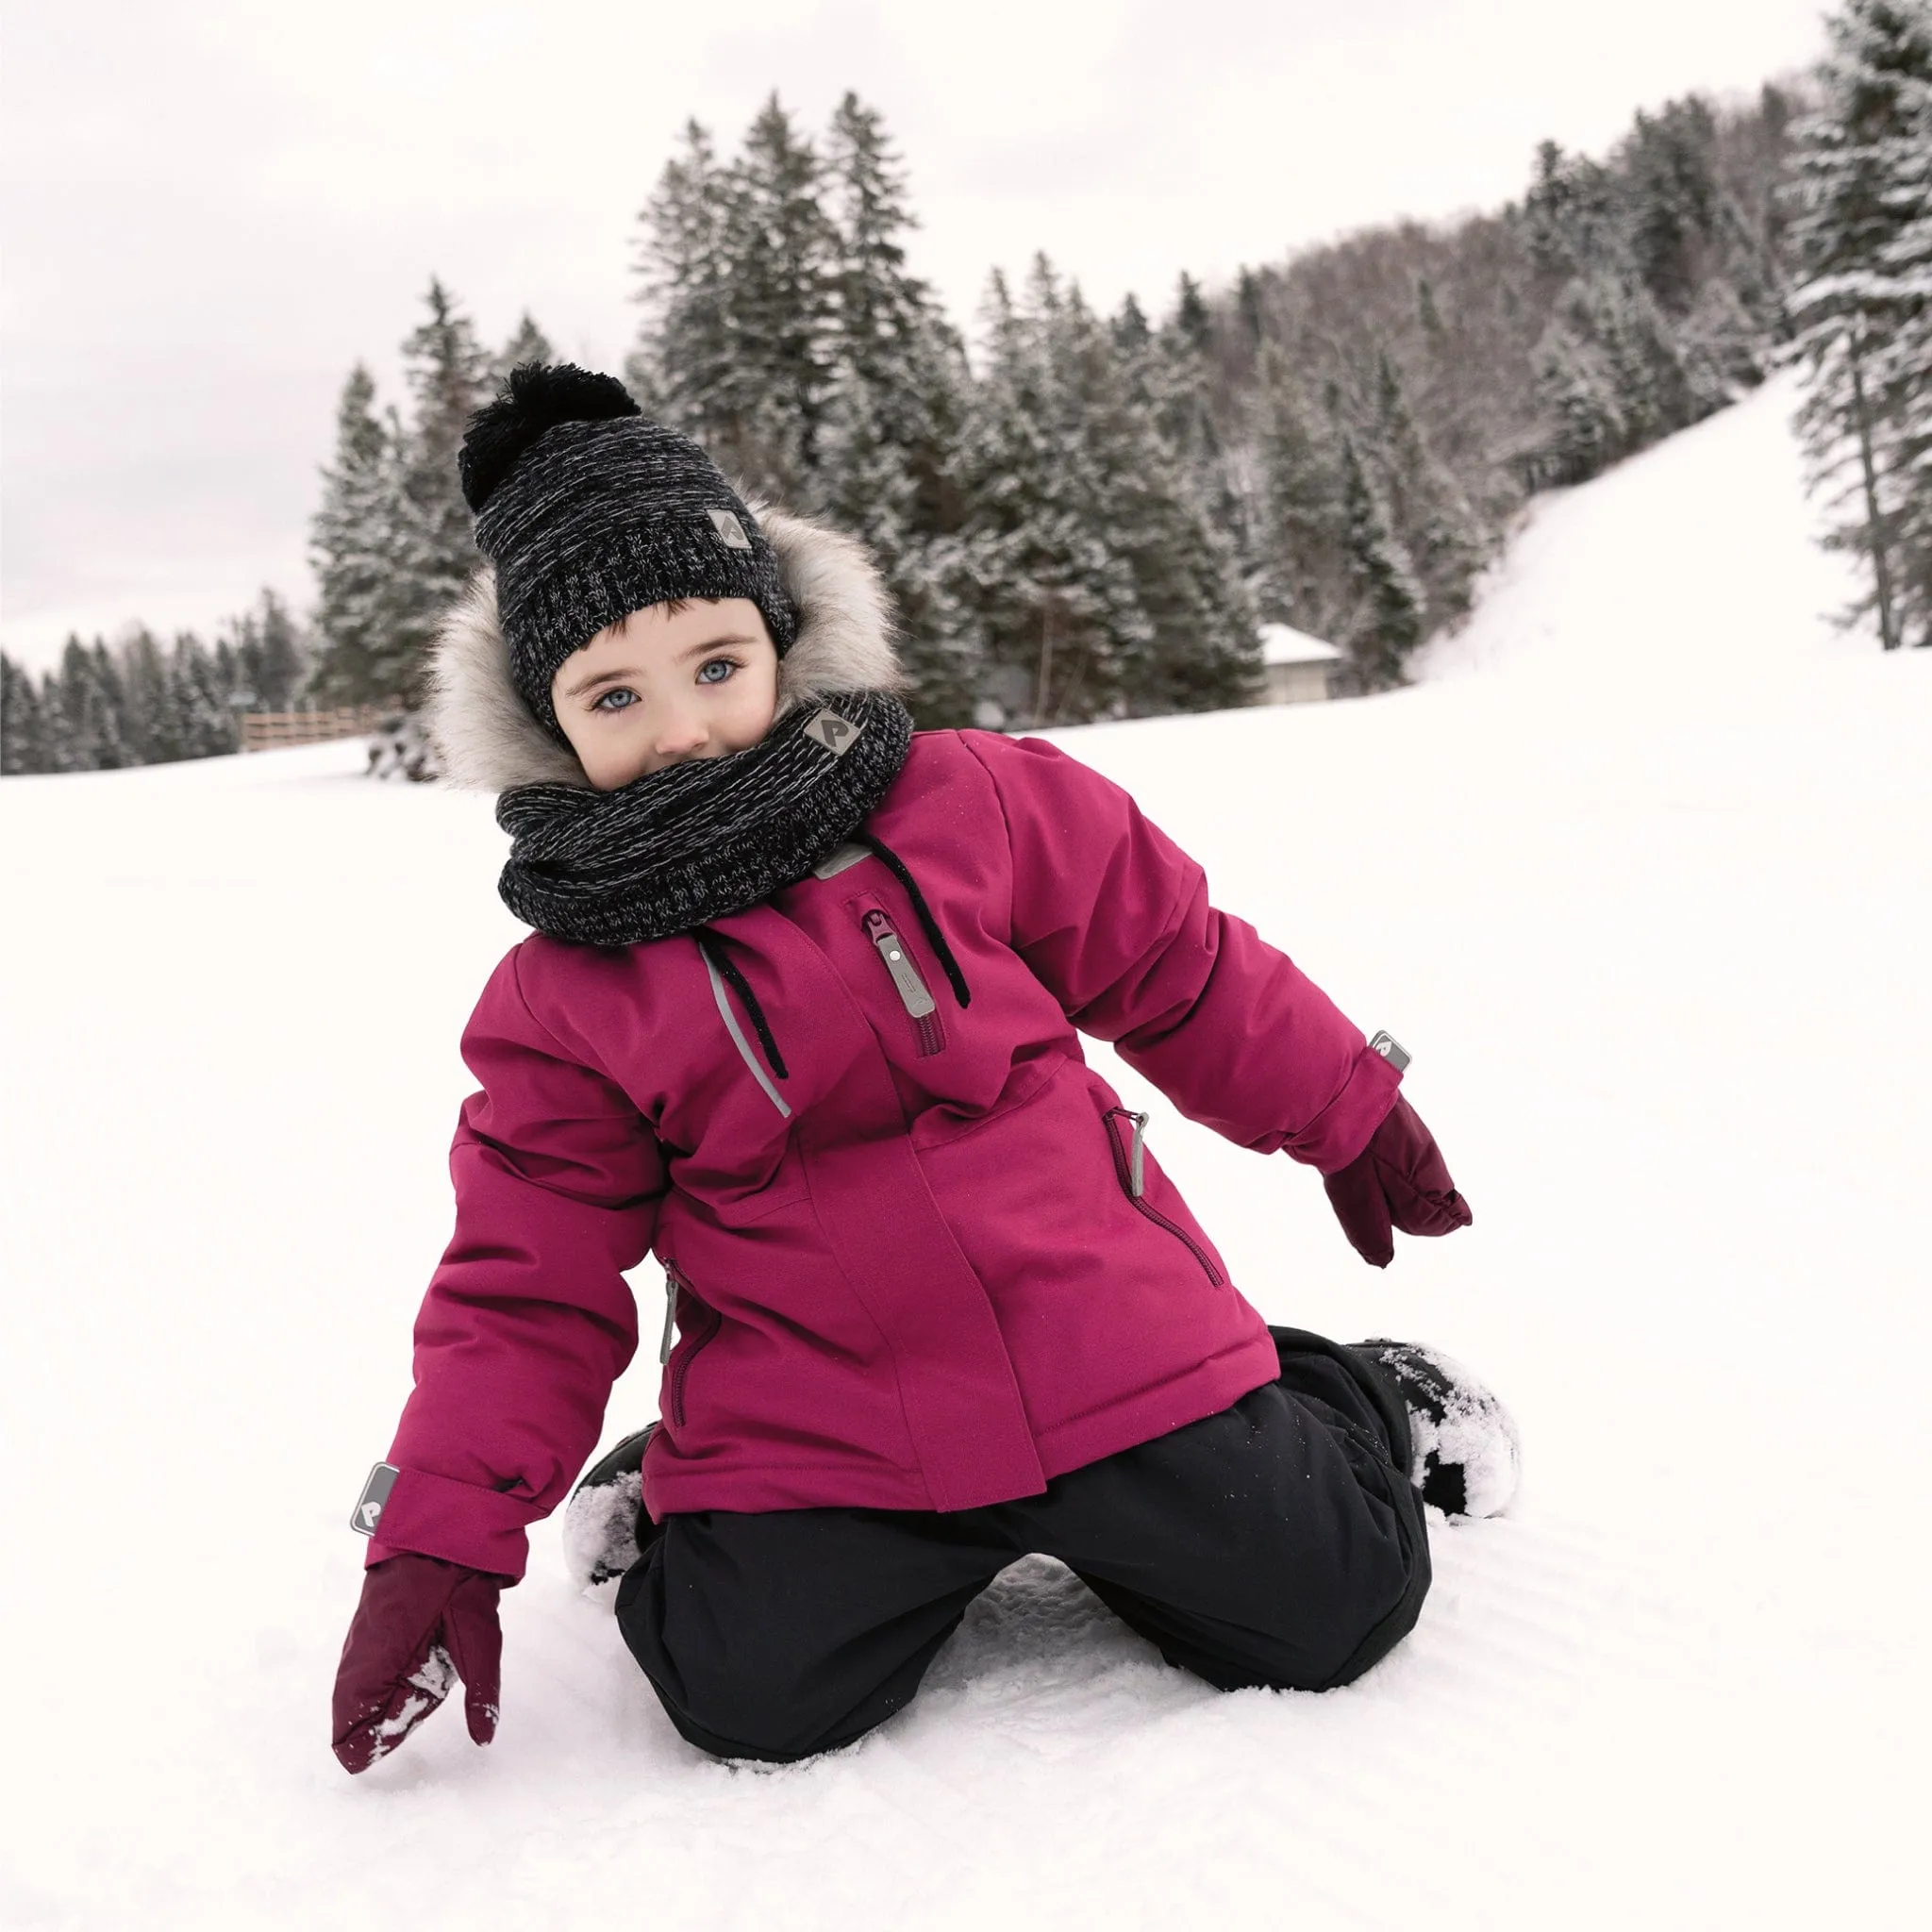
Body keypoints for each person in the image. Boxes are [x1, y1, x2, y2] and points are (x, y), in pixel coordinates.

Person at [329, 364, 1518, 1774]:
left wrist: (1341, 1104)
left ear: (781, 636)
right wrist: (443, 1535)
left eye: (715, 664)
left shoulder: (977, 801)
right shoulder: (561, 1000)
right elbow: (528, 1282)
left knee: (1339, 1609)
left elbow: (1180, 966)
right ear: (549, 724)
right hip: (819, 1420)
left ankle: (1347, 1392)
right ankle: (683, 1496)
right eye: (614, 695)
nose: (685, 727)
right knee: (742, 1703)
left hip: (1101, 1341)